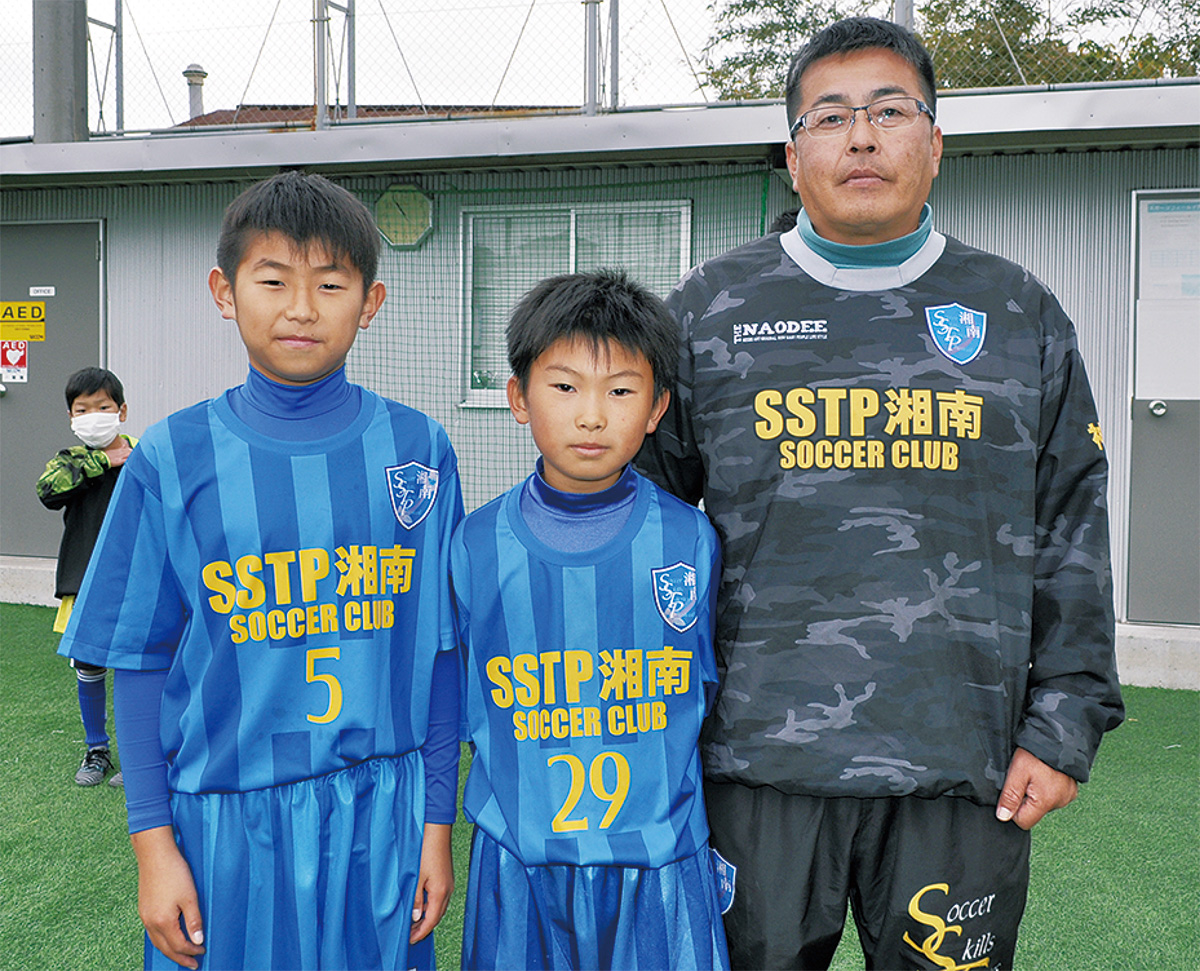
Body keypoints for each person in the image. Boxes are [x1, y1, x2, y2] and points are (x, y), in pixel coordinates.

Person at [635, 17, 1124, 971]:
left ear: (935, 143)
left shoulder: (1016, 312)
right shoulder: (709, 309)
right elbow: (643, 520)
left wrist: (1064, 722)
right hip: (754, 769)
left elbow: (1072, 515)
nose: (862, 136)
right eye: (830, 116)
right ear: (791, 155)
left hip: (960, 764)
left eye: (891, 110)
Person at [57, 171, 463, 971]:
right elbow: (136, 660)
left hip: (379, 819)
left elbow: (440, 651)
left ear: (370, 302)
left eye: (331, 283)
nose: (301, 307)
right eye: (273, 280)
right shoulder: (171, 459)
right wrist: (153, 845)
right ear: (224, 290)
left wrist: (436, 825)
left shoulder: (419, 451)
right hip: (222, 830)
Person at [451, 268, 731, 971]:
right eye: (565, 386)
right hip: (521, 867)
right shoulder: (473, 545)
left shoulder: (690, 541)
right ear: (518, 396)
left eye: (621, 390)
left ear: (658, 406)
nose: (592, 414)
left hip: (658, 868)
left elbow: (712, 692)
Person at [37, 366, 137, 788]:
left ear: (122, 411)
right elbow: (48, 491)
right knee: (90, 665)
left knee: (138, 668)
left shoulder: (144, 455)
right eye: (82, 409)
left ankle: (139, 756)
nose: (93, 415)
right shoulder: (69, 462)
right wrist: (101, 460)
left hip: (138, 582)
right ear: (71, 418)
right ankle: (97, 750)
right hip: (84, 582)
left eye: (103, 407)